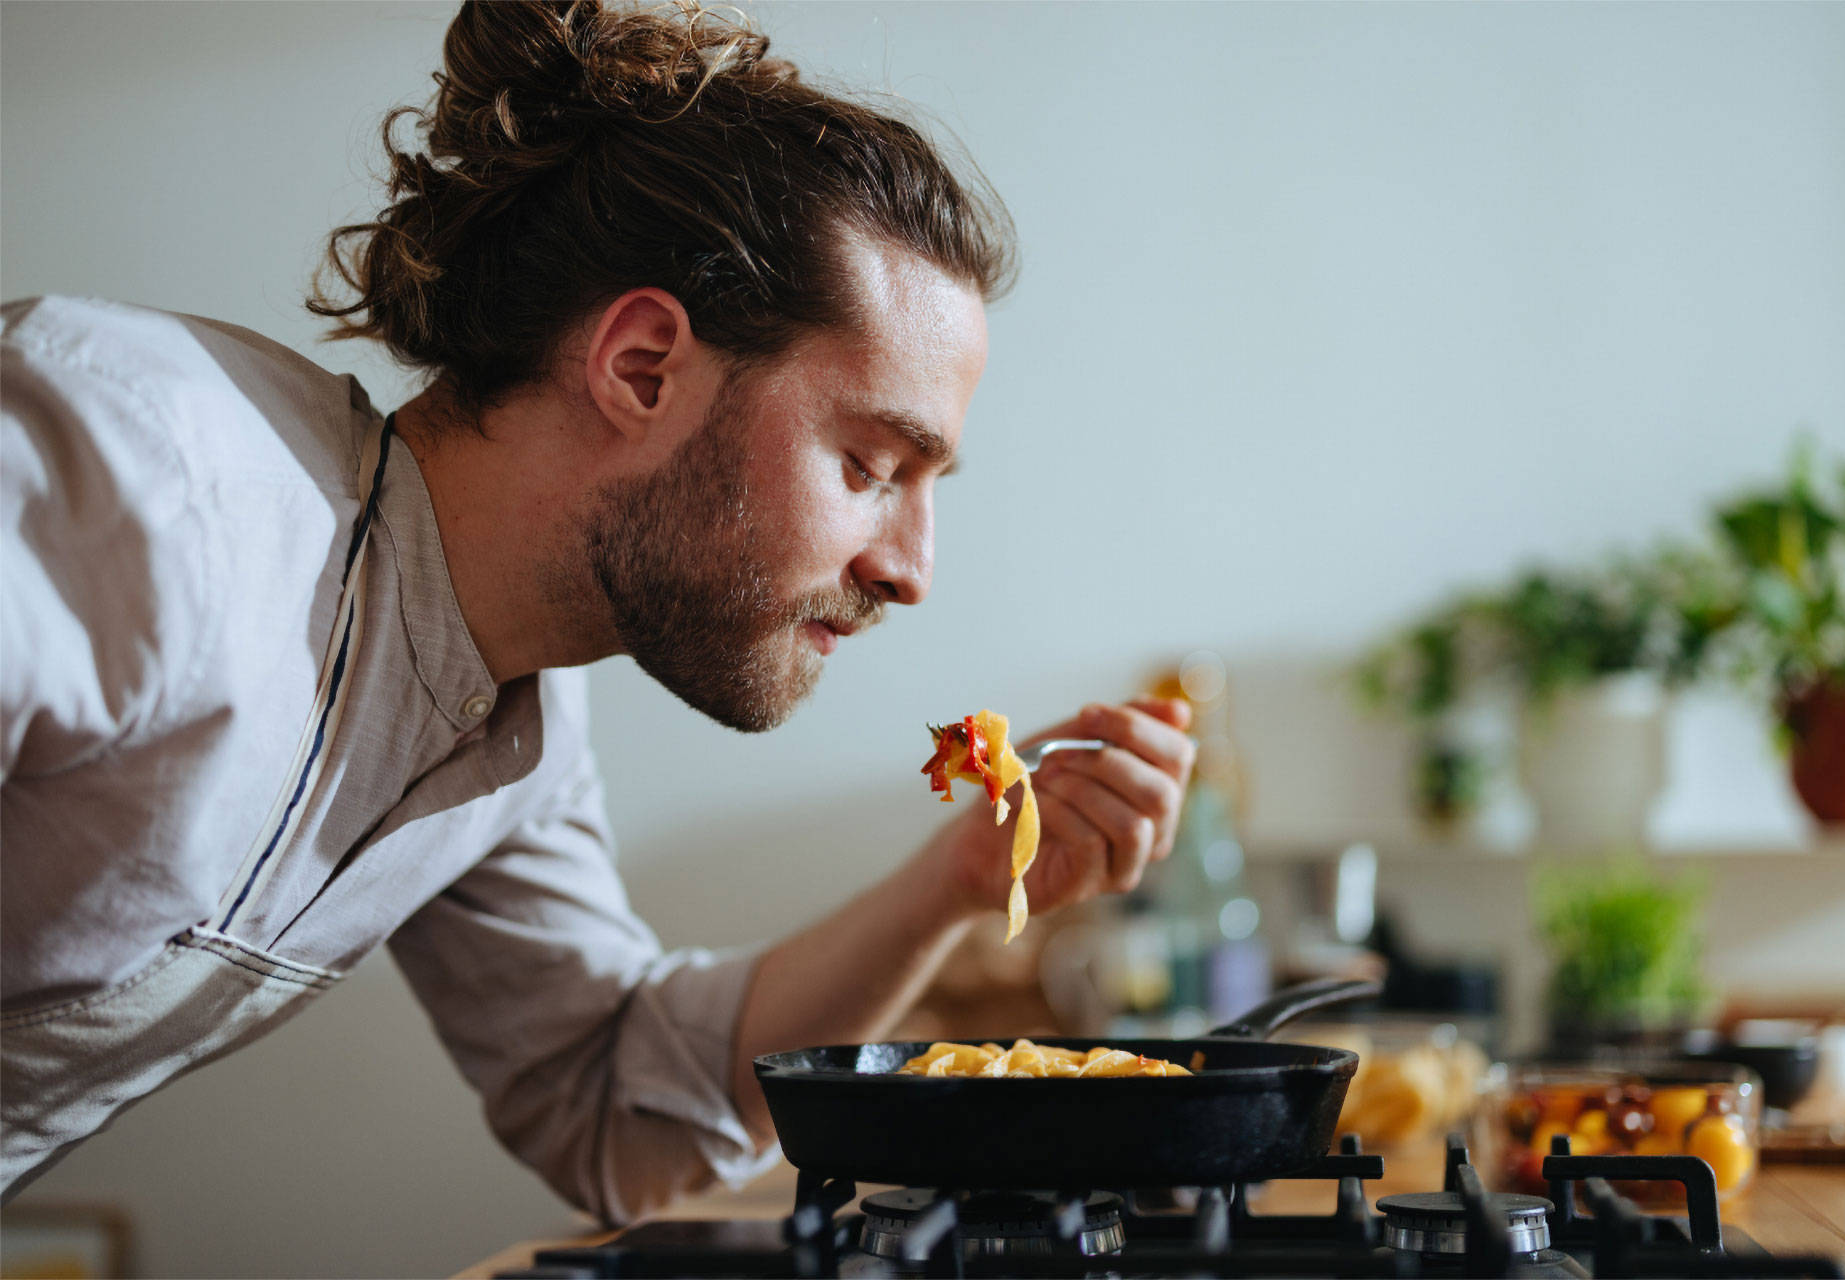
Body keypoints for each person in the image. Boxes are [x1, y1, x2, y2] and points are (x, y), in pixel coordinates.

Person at [0, 0, 1193, 1222]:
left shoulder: (514, 729)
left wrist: (956, 879)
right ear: (641, 369)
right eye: (870, 465)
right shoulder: (135, 470)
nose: (911, 568)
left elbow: (619, 1104)